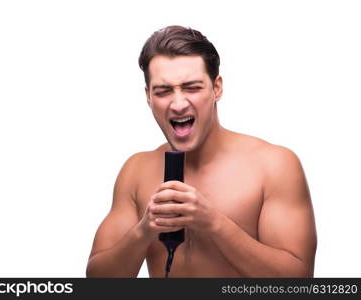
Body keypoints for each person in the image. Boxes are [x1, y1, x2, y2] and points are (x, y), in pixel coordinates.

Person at [86, 25, 317, 277]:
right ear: (149, 97)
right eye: (163, 92)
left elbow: (298, 280)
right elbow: (98, 279)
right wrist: (144, 230)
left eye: (192, 87)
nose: (178, 103)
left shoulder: (273, 165)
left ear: (216, 88)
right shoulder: (136, 170)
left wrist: (212, 222)